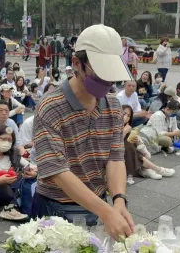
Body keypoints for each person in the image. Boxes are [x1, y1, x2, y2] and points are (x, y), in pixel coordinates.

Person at [32, 24, 135, 240]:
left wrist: (118, 200)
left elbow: (115, 158)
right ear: (76, 63)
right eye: (99, 73)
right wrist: (107, 212)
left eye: (111, 75)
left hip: (98, 204)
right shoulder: (51, 106)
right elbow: (58, 172)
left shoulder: (113, 106)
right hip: (55, 207)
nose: (107, 82)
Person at [122, 105, 175, 180]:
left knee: (131, 143)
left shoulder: (127, 128)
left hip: (132, 154)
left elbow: (146, 154)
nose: (126, 117)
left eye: (129, 116)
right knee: (128, 146)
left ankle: (146, 170)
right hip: (116, 155)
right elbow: (115, 144)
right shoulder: (113, 126)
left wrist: (138, 142)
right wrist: (124, 132)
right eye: (124, 114)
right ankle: (156, 169)